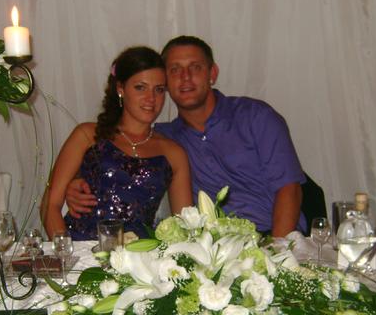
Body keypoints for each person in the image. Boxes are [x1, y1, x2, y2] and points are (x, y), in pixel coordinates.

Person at [66, 36, 306, 237]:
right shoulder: (164, 140)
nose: (185, 77)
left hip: (273, 235)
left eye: (195, 67)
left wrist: (276, 250)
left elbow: (290, 189)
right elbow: (118, 156)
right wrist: (76, 182)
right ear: (165, 81)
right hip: (212, 250)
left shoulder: (255, 116)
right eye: (175, 70)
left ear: (212, 73)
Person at [40, 46, 192, 240]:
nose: (151, 98)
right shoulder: (87, 135)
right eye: (140, 87)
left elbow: (185, 227)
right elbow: (49, 206)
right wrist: (65, 252)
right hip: (80, 249)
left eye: (159, 90)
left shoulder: (174, 153)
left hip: (139, 254)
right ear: (121, 89)